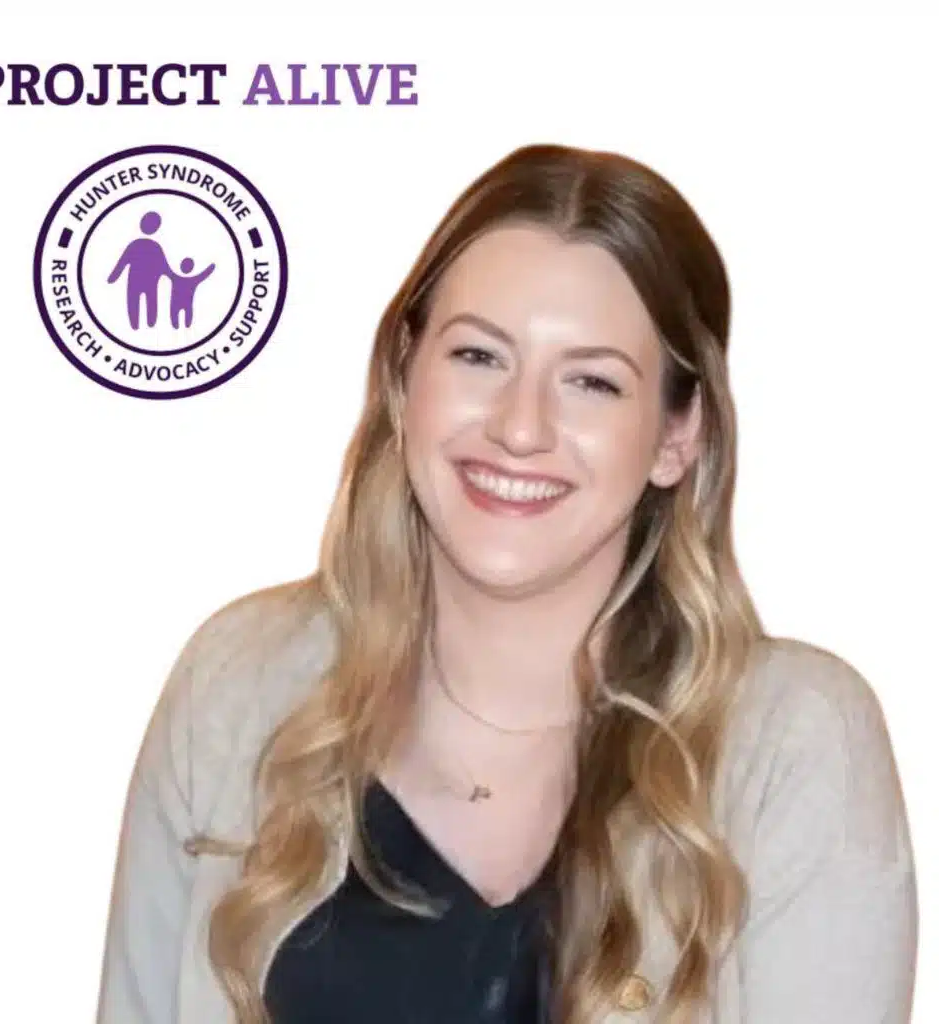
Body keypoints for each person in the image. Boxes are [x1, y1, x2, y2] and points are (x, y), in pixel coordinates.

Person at [94, 145, 918, 1024]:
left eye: (592, 382)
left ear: (678, 436)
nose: (521, 428)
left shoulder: (793, 747)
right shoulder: (237, 683)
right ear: (403, 377)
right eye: (479, 357)